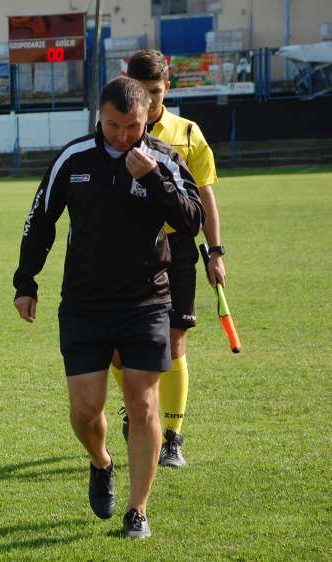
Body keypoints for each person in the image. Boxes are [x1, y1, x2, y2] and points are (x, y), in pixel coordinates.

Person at [13, 76, 204, 538]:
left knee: (142, 404)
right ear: (99, 115)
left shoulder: (163, 158)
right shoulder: (73, 157)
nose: (122, 135)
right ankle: (101, 462)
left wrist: (153, 178)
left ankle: (138, 509)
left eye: (132, 126)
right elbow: (41, 219)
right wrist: (26, 281)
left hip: (146, 300)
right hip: (84, 302)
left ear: (147, 118)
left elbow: (190, 219)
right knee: (85, 409)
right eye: (113, 125)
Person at [110, 49, 226, 468]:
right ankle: (134, 410)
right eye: (141, 90)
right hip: (128, 249)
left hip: (176, 249)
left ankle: (172, 436)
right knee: (118, 350)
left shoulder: (188, 133)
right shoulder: (115, 129)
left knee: (175, 342)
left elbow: (205, 197)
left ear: (167, 89)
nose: (149, 99)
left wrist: (215, 252)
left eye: (156, 92)